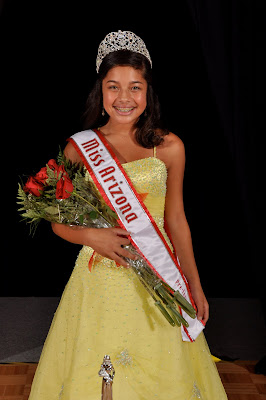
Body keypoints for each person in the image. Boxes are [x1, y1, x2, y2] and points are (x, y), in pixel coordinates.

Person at [28, 30, 228, 399]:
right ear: (100, 93)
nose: (124, 98)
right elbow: (53, 217)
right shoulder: (80, 147)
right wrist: (90, 236)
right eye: (113, 86)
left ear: (148, 92)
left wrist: (195, 285)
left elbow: (176, 220)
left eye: (135, 87)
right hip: (99, 277)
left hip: (158, 275)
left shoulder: (170, 147)